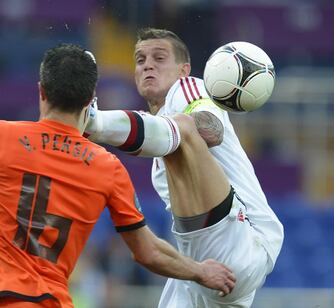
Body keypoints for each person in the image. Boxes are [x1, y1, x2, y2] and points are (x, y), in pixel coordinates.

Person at [0, 44, 236, 308]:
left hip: (4, 299)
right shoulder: (107, 167)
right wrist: (199, 270)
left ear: (41, 90)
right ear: (89, 101)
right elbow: (147, 252)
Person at [85, 28, 284, 307]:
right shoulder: (164, 131)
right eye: (140, 60)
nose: (148, 65)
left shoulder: (189, 88)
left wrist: (95, 124)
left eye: (159, 57)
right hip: (206, 261)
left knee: (184, 131)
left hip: (240, 237)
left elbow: (211, 130)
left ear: (183, 69)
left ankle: (92, 122)